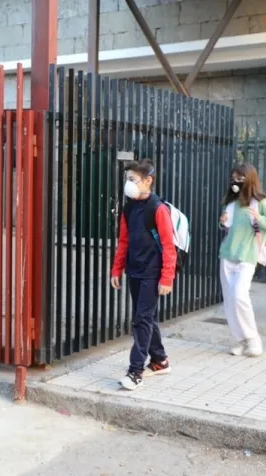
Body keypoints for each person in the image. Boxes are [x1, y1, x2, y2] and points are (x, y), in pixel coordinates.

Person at [110, 159, 176, 391]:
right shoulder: (129, 209)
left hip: (152, 273)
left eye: (133, 179)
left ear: (148, 181)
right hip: (134, 270)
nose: (128, 184)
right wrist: (116, 269)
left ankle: (135, 371)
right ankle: (160, 360)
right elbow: (123, 241)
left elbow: (168, 246)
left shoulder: (158, 208)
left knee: (141, 320)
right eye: (127, 179)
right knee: (147, 317)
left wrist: (167, 278)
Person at [219, 163, 266, 357]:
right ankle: (239, 339)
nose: (236, 182)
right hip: (227, 254)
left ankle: (253, 337)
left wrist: (259, 218)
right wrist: (222, 222)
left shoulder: (260, 202)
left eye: (240, 178)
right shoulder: (231, 202)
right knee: (230, 300)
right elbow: (229, 227)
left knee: (240, 296)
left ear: (250, 180)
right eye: (234, 178)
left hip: (248, 255)